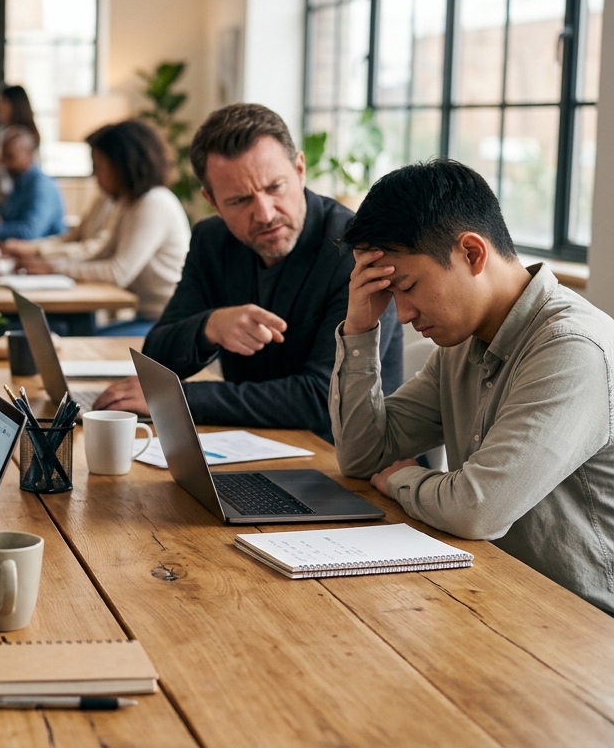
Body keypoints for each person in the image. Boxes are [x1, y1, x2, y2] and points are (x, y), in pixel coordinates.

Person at [334, 159, 614, 615]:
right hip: (489, 594)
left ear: (471, 253)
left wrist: (403, 478)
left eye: (406, 285)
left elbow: (476, 509)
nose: (401, 314)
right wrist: (360, 328)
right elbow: (363, 456)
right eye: (389, 293)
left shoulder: (572, 349)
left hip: (580, 624)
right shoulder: (462, 345)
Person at [93, 103, 403, 439]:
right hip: (255, 444)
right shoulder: (212, 240)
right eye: (239, 200)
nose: (265, 214)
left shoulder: (355, 251)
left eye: (274, 187)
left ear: (300, 170)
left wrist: (177, 399)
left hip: (352, 456)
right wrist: (210, 326)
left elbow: (323, 398)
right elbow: (157, 358)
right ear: (212, 201)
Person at [2, 120, 191, 336]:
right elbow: (102, 254)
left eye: (99, 166)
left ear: (121, 165)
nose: (95, 175)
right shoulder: (128, 203)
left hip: (168, 324)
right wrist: (46, 264)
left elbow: (117, 272)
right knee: (69, 333)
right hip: (148, 317)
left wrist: (53, 268)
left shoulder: (153, 203)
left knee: (78, 340)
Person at [0, 124, 65, 242]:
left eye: (10, 157)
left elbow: (30, 232)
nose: (5, 164)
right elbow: (8, 217)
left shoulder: (41, 186)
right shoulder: (19, 182)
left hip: (45, 251)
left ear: (28, 154)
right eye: (4, 157)